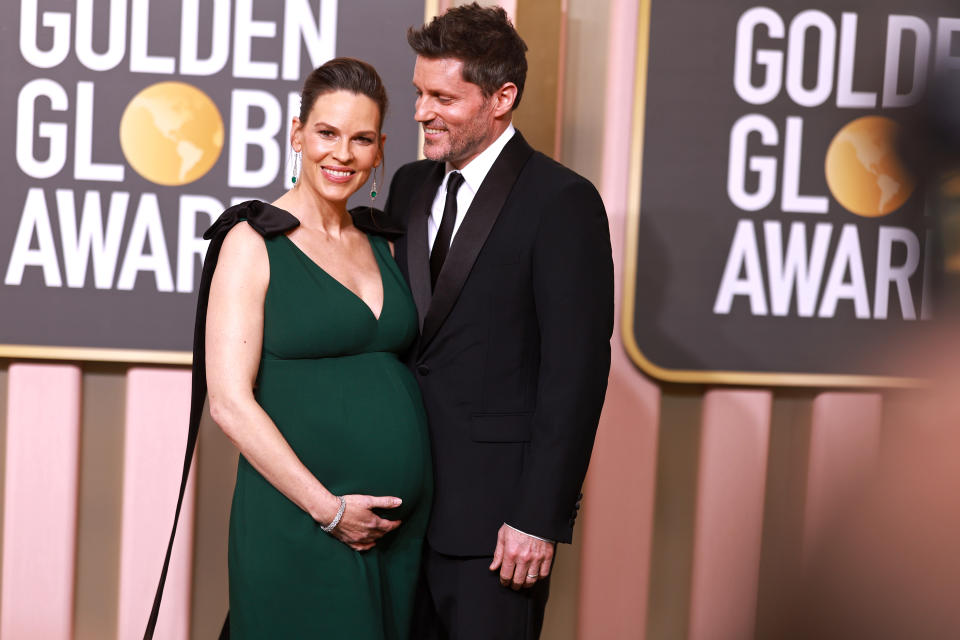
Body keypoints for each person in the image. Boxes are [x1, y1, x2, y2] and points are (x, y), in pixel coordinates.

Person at [383, 5, 614, 638]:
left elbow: (577, 374)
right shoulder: (407, 186)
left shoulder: (562, 202)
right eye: (418, 94)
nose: (421, 113)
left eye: (442, 97)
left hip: (497, 528)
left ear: (501, 98)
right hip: (399, 516)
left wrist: (538, 517)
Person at [198, 58, 431, 639]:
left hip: (395, 533)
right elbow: (228, 401)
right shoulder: (252, 242)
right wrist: (328, 510)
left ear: (380, 151)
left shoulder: (383, 241)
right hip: (301, 519)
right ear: (297, 133)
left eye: (361, 139)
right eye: (327, 133)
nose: (342, 154)